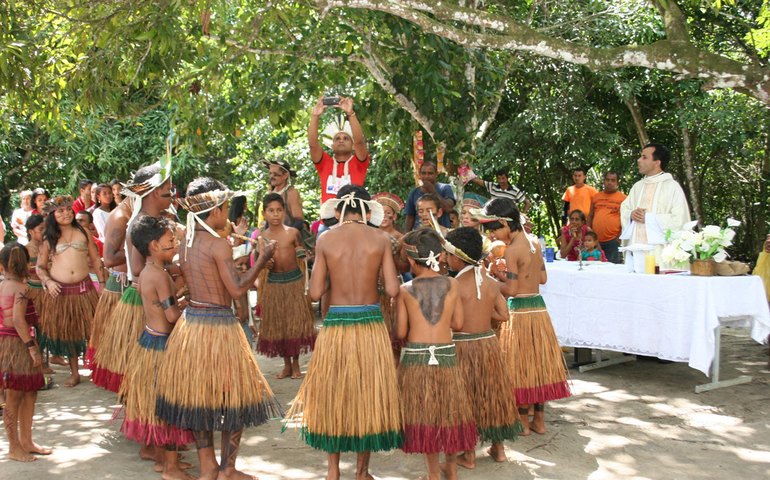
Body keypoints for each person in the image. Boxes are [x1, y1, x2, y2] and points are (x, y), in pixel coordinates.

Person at [156, 177, 281, 480]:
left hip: (192, 325)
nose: (227, 213)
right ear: (215, 211)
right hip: (219, 326)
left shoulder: (185, 241)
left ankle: (208, 466)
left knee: (198, 397)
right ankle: (227, 469)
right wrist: (261, 259)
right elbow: (237, 290)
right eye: (225, 208)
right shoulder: (217, 245)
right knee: (234, 398)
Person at [285, 185, 401, 480]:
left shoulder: (326, 238)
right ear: (367, 211)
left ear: (338, 211)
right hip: (370, 324)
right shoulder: (381, 238)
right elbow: (391, 289)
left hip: (336, 325)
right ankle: (362, 472)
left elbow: (313, 293)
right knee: (368, 395)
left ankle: (333, 471)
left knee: (333, 395)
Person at [479, 198, 570, 435]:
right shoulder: (534, 243)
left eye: (494, 229)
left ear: (505, 223)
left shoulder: (512, 251)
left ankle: (522, 422)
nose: (493, 235)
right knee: (538, 366)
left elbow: (510, 290)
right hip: (538, 310)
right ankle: (539, 421)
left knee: (519, 367)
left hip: (519, 312)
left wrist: (490, 280)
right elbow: (542, 279)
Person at [396, 228, 476, 480]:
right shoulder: (452, 284)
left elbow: (400, 331)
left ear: (410, 260)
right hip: (445, 356)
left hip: (417, 359)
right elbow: (459, 324)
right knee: (450, 414)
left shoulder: (405, 290)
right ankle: (451, 471)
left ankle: (432, 474)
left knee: (426, 417)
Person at [119, 216, 194, 480]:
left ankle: (164, 460)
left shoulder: (146, 273)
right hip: (162, 346)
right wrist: (190, 306)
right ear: (153, 245)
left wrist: (180, 298)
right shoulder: (160, 276)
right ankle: (171, 468)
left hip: (150, 340)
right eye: (170, 241)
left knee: (158, 405)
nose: (175, 245)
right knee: (169, 407)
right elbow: (172, 316)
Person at [443, 227, 521, 468]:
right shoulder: (488, 282)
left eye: (447, 254)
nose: (445, 258)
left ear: (457, 257)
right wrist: (484, 317)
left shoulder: (452, 284)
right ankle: (498, 449)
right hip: (488, 345)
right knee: (491, 396)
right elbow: (504, 314)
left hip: (463, 347)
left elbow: (450, 321)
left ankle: (468, 455)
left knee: (466, 399)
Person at [93, 162, 173, 393]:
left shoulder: (152, 218)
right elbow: (137, 268)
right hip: (144, 302)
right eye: (168, 188)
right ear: (156, 190)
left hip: (153, 296)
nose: (171, 193)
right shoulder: (136, 223)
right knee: (146, 369)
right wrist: (170, 267)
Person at [35, 196, 104, 387]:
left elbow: (96, 259)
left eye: (68, 209)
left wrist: (103, 284)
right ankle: (75, 373)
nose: (66, 213)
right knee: (70, 333)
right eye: (60, 211)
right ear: (52, 215)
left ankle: (99, 369)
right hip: (61, 292)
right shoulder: (49, 237)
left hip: (85, 289)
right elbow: (40, 267)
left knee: (94, 330)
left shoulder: (82, 231)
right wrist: (48, 281)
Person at [0, 242, 52, 462]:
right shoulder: (20, 289)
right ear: (25, 264)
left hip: (12, 344)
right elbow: (18, 321)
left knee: (30, 391)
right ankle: (14, 447)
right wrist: (31, 347)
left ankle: (27, 441)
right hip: (17, 346)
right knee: (14, 396)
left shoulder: (4, 285)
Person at [256, 193, 316, 379]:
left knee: (293, 325)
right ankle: (286, 365)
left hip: (294, 282)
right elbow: (261, 263)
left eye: (279, 210)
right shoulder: (262, 237)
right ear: (264, 213)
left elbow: (301, 253)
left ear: (284, 212)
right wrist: (266, 264)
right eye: (271, 211)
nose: (275, 214)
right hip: (274, 283)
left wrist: (303, 255)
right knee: (280, 325)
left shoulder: (293, 233)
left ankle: (296, 364)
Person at [87, 195, 132, 380]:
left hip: (131, 283)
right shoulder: (120, 216)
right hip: (120, 284)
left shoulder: (132, 213)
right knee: (118, 340)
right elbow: (110, 258)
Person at [620, 144, 691, 260]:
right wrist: (631, 215)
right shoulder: (637, 187)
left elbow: (679, 220)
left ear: (657, 163)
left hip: (661, 253)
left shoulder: (672, 187)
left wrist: (649, 218)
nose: (639, 160)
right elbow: (625, 209)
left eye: (644, 157)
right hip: (635, 249)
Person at [309, 96, 370, 204]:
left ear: (353, 145)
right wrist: (315, 116)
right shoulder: (324, 163)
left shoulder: (359, 162)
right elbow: (313, 145)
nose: (341, 141)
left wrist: (351, 114)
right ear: (332, 145)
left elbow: (360, 142)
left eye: (346, 138)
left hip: (353, 216)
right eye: (337, 138)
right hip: (329, 219)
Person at [404, 161, 456, 230]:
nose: (426, 176)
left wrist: (433, 191)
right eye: (423, 173)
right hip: (420, 234)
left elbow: (448, 208)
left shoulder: (445, 188)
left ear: (436, 174)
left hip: (441, 233)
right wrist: (407, 236)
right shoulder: (414, 192)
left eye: (430, 173)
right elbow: (410, 217)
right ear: (419, 174)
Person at [588, 172, 626, 264]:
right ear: (604, 182)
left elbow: (626, 220)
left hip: (613, 241)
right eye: (607, 180)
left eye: (613, 180)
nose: (609, 182)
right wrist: (588, 234)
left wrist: (619, 237)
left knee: (612, 270)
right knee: (593, 269)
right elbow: (590, 216)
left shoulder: (623, 198)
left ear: (617, 183)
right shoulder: (596, 197)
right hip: (595, 241)